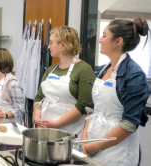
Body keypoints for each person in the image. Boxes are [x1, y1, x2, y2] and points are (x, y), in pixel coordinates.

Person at [81, 18, 151, 166]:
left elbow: (129, 124)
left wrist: (96, 145)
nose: (99, 40)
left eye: (104, 35)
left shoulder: (135, 75)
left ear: (118, 41)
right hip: (93, 144)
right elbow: (92, 108)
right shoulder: (102, 70)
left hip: (119, 152)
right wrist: (86, 137)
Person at [33, 26, 95, 140]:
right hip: (45, 130)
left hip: (69, 132)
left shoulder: (84, 69)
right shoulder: (50, 69)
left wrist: (56, 124)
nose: (48, 46)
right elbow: (39, 97)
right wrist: (37, 118)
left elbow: (83, 105)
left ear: (63, 45)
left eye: (51, 43)